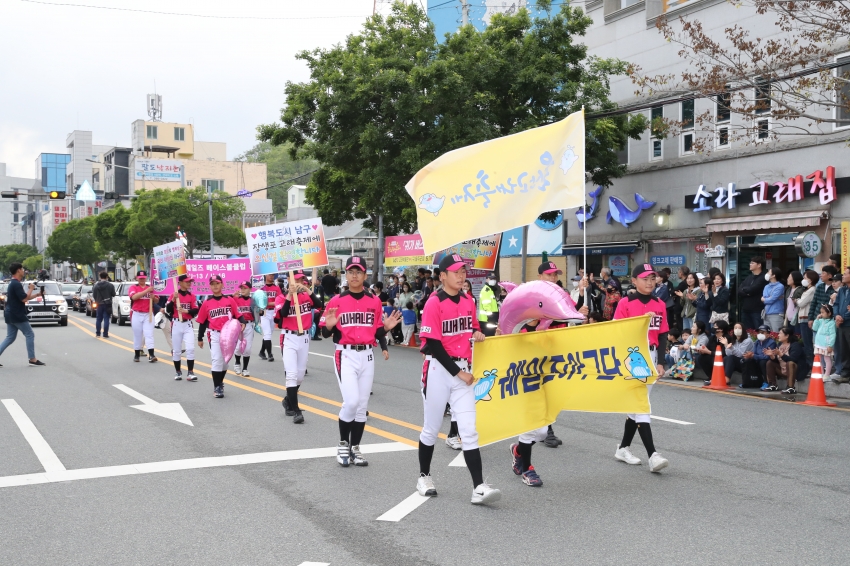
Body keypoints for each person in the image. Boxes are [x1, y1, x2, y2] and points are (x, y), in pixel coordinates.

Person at [415, 254, 501, 504]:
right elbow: (432, 344)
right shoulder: (434, 302)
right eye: (455, 271)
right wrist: (458, 372)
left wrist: (478, 332)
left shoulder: (467, 300)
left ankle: (478, 487)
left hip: (462, 371)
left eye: (463, 271)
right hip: (439, 371)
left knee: (469, 432)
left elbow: (473, 327)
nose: (461, 275)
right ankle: (424, 476)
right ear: (442, 276)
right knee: (431, 429)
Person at [320, 255, 402, 467]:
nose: (354, 275)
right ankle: (342, 444)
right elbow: (325, 334)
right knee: (352, 401)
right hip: (345, 354)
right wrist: (328, 326)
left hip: (366, 355)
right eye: (351, 271)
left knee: (362, 405)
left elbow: (376, 331)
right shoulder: (337, 301)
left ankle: (355, 447)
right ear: (345, 275)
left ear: (365, 275)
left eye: (358, 271)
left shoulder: (374, 301)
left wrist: (385, 328)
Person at [612, 263, 670, 473]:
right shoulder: (625, 303)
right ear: (634, 281)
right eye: (645, 278)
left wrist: (661, 362)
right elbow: (616, 332)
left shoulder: (660, 303)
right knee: (641, 404)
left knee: (636, 406)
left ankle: (623, 448)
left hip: (652, 355)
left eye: (652, 278)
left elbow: (663, 333)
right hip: (632, 356)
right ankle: (653, 455)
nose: (649, 282)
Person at [276, 270, 325, 424]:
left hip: (303, 337)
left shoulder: (305, 296)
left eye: (301, 280)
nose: (299, 282)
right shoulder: (281, 297)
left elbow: (319, 304)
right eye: (296, 280)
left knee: (300, 376)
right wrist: (290, 296)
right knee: (291, 374)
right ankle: (297, 411)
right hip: (289, 337)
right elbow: (282, 314)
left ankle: (288, 400)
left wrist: (309, 291)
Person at [196, 275, 246, 398]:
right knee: (217, 360)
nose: (215, 286)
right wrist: (199, 337)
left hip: (229, 336)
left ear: (222, 285)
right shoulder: (206, 303)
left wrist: (243, 322)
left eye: (217, 283)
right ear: (210, 286)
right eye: (212, 284)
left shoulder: (229, 300)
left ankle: (220, 382)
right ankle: (217, 387)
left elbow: (238, 315)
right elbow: (202, 321)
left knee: (225, 363)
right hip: (214, 334)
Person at [0, 263, 45, 367]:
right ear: (18, 271)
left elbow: (24, 297)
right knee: (29, 334)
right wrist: (31, 288)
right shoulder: (16, 284)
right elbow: (24, 299)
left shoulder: (14, 283)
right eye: (22, 269)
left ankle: (32, 359)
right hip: (17, 314)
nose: (24, 270)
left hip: (10, 313)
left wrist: (38, 294)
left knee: (10, 338)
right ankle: (32, 359)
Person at [165, 274, 199, 381]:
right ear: (179, 283)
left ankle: (190, 372)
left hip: (188, 324)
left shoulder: (192, 296)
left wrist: (186, 311)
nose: (189, 283)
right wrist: (173, 300)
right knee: (177, 350)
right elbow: (168, 310)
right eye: (186, 281)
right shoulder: (174, 295)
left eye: (190, 281)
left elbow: (195, 310)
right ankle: (178, 372)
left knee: (190, 348)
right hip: (176, 324)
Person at [763, 326, 808, 393]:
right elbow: (777, 360)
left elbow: (793, 359)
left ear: (787, 336)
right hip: (782, 369)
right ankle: (772, 385)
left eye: (780, 333)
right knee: (770, 362)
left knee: (790, 363)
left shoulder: (795, 345)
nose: (778, 335)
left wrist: (781, 354)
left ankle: (791, 387)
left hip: (795, 371)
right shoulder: (780, 344)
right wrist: (772, 356)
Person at [128, 271, 158, 363]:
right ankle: (137, 354)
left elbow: (156, 300)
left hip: (148, 314)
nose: (142, 279)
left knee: (149, 334)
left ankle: (151, 355)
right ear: (137, 278)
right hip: (136, 313)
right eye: (140, 278)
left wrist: (153, 297)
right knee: (138, 335)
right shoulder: (134, 287)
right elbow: (134, 297)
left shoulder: (151, 287)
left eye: (143, 278)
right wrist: (146, 291)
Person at [720, 322, 755, 387]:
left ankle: (727, 379)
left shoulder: (748, 341)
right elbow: (728, 354)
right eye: (735, 328)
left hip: (747, 363)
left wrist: (731, 347)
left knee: (731, 358)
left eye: (739, 328)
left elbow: (740, 354)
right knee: (726, 358)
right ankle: (720, 377)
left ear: (743, 330)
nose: (737, 329)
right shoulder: (734, 340)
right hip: (739, 362)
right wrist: (726, 345)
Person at [738, 257, 769, 331]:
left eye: (752, 263)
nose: (750, 264)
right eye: (750, 262)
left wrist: (747, 291)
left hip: (757, 310)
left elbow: (753, 289)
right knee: (747, 332)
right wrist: (747, 292)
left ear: (759, 265)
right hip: (745, 310)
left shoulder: (763, 277)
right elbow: (739, 290)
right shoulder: (749, 277)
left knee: (759, 331)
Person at [232, 281, 255, 377]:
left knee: (247, 348)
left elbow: (257, 313)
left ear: (250, 289)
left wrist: (260, 311)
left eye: (245, 288)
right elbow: (231, 311)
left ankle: (245, 368)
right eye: (241, 288)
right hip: (238, 325)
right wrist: (233, 298)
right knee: (237, 347)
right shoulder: (236, 299)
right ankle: (237, 363)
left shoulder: (253, 301)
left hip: (249, 325)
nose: (243, 290)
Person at [258, 274, 282, 362]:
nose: (272, 277)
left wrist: (268, 303)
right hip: (264, 312)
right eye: (270, 275)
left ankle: (261, 351)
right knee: (267, 333)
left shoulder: (277, 288)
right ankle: (270, 354)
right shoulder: (261, 288)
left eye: (273, 275)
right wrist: (272, 303)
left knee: (269, 333)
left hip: (273, 312)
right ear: (265, 276)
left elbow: (280, 300)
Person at [832, 269, 850, 383]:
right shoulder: (843, 290)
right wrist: (837, 315)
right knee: (843, 350)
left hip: (847, 323)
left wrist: (843, 317)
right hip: (841, 324)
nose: (843, 276)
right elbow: (836, 304)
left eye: (846, 274)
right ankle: (845, 373)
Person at [797, 270, 818, 367]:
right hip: (803, 318)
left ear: (811, 280)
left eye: (805, 278)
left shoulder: (812, 290)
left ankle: (811, 364)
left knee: (808, 343)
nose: (803, 280)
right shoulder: (807, 290)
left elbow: (801, 303)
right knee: (806, 342)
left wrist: (796, 300)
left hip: (806, 319)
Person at [813, 304, 837, 380]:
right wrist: (816, 319)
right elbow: (814, 328)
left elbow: (833, 334)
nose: (821, 314)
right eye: (821, 312)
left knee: (827, 359)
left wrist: (830, 345)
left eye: (823, 312)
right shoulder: (820, 321)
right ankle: (821, 373)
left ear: (829, 313)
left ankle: (827, 375)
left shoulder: (832, 323)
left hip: (826, 344)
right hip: (818, 343)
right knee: (819, 359)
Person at [751, 325, 778, 389]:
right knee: (748, 360)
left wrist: (755, 356)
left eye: (762, 333)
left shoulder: (772, 343)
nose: (760, 334)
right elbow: (754, 353)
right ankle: (749, 381)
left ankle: (766, 382)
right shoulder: (757, 342)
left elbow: (766, 357)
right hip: (758, 360)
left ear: (768, 334)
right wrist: (752, 356)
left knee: (763, 362)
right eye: (759, 332)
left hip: (767, 361)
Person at [92, 271, 116, 338]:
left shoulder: (96, 286)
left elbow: (94, 295)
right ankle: (105, 334)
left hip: (99, 304)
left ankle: (98, 334)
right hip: (107, 304)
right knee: (106, 319)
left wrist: (98, 300)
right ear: (107, 277)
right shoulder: (110, 285)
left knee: (99, 319)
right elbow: (113, 294)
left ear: (100, 277)